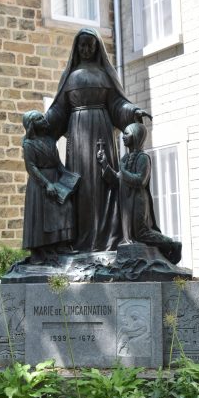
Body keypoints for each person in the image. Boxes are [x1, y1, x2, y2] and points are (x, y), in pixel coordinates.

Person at [45, 28, 151, 252]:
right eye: (81, 45)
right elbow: (58, 111)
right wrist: (42, 125)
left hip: (102, 131)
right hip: (78, 137)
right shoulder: (70, 78)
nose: (85, 49)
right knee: (81, 187)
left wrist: (133, 112)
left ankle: (107, 238)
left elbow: (117, 105)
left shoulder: (104, 76)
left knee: (105, 185)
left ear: (96, 47)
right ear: (76, 47)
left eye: (89, 45)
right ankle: (81, 241)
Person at [97, 122, 182, 264]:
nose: (123, 136)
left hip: (137, 200)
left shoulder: (143, 158)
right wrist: (105, 163)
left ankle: (172, 244)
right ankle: (134, 262)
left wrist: (123, 171)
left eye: (127, 133)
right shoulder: (124, 159)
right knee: (129, 236)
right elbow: (117, 179)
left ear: (136, 136)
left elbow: (140, 180)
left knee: (141, 232)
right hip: (126, 201)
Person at [22, 110, 80, 264]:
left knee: (64, 209)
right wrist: (47, 184)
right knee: (42, 217)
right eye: (39, 119)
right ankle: (42, 251)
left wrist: (68, 177)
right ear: (32, 125)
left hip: (55, 177)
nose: (44, 120)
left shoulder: (49, 141)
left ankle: (61, 245)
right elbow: (31, 167)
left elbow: (57, 163)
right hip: (40, 184)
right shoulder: (29, 144)